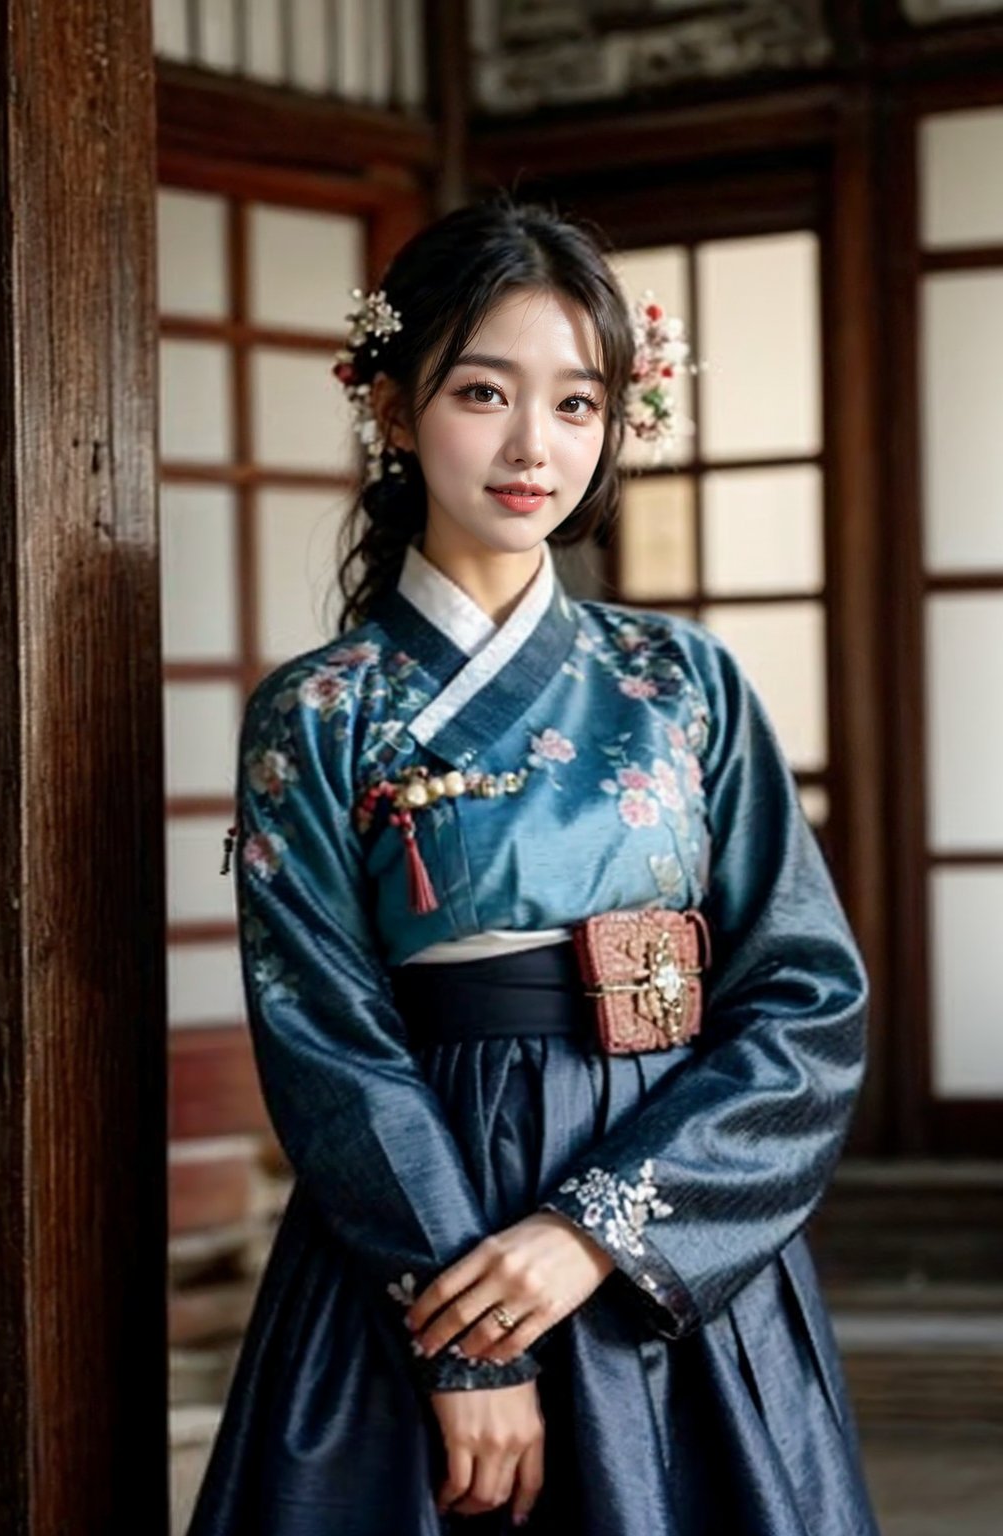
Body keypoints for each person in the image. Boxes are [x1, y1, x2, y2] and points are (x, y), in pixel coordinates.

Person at [186, 192, 882, 1535]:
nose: (532, 447)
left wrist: (596, 1234)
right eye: (482, 392)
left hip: (667, 1226)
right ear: (391, 410)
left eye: (576, 404)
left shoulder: (688, 683)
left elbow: (806, 999)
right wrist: (469, 1336)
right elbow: (330, 1041)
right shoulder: (322, 712)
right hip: (425, 1220)